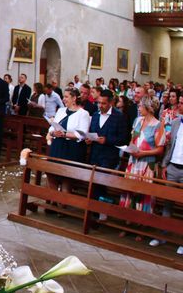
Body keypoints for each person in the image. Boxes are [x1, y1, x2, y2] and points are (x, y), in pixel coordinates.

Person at [120, 96, 166, 219]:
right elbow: (132, 140)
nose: (139, 108)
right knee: (130, 191)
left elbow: (160, 149)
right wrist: (129, 148)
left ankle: (141, 225)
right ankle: (127, 222)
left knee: (143, 195)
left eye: (141, 106)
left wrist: (142, 153)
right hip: (133, 162)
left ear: (149, 107)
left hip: (147, 165)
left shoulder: (157, 125)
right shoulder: (137, 121)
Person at [87, 89, 127, 219]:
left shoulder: (119, 116)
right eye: (99, 103)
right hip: (95, 154)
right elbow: (92, 131)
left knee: (101, 182)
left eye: (103, 103)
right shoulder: (96, 115)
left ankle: (101, 212)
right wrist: (89, 138)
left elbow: (123, 139)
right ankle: (94, 211)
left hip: (109, 156)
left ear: (110, 103)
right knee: (93, 182)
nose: (100, 106)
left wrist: (107, 140)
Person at [47, 88, 91, 194]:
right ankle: (52, 201)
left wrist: (64, 134)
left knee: (66, 179)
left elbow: (82, 134)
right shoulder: (61, 111)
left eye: (66, 97)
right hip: (57, 146)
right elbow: (52, 129)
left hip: (72, 149)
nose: (63, 99)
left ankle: (63, 204)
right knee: (52, 174)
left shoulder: (83, 113)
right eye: (64, 97)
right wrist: (53, 133)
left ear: (74, 98)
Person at [157, 94, 183, 254]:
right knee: (168, 202)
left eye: (182, 103)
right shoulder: (175, 123)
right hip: (173, 166)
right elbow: (170, 146)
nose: (180, 106)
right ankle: (163, 235)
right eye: (179, 103)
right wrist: (165, 164)